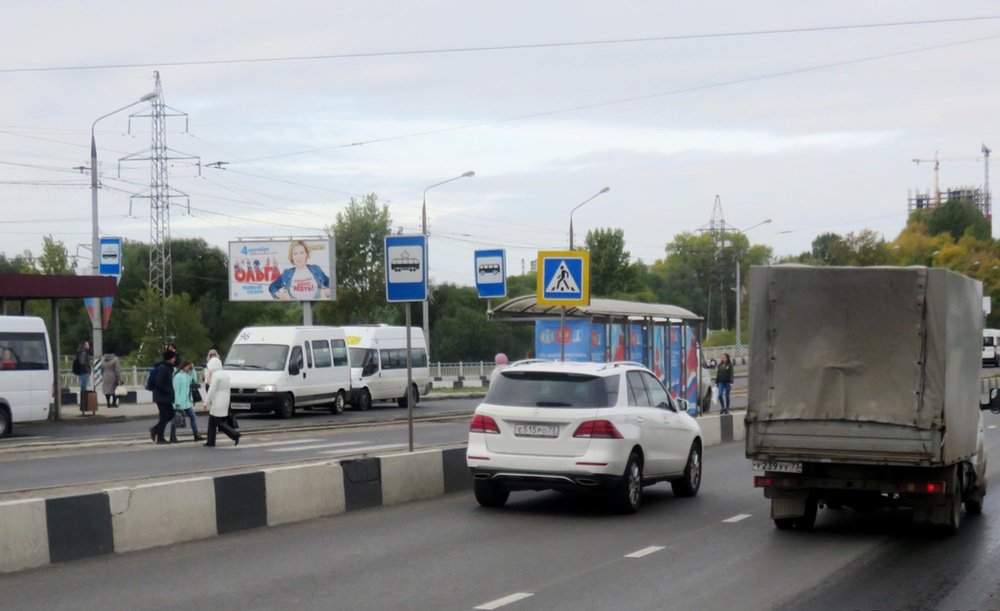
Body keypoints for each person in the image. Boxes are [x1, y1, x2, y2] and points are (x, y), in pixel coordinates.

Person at [203, 356, 240, 447]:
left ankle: (234, 435)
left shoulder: (216, 376)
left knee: (217, 422)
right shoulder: (225, 375)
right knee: (212, 421)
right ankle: (210, 441)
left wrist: (206, 402)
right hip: (224, 400)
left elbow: (212, 390)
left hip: (218, 401)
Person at [170, 360, 203, 443]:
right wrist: (176, 403)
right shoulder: (178, 376)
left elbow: (194, 380)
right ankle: (172, 436)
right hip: (179, 403)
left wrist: (193, 369)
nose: (189, 369)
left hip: (187, 402)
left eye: (190, 368)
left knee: (193, 417)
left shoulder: (187, 375)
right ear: (184, 366)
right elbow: (176, 390)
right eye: (189, 367)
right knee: (176, 419)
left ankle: (196, 434)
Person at [149, 351, 177, 445]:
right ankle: (160, 438)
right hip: (161, 397)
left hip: (164, 396)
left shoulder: (167, 367)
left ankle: (155, 430)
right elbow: (159, 383)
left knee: (171, 413)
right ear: (170, 358)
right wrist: (168, 391)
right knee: (164, 416)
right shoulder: (163, 368)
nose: (175, 359)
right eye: (173, 357)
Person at [74, 340, 92, 412]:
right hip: (84, 372)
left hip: (82, 372)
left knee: (83, 389)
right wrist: (88, 369)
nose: (89, 346)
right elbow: (82, 362)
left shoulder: (81, 352)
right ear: (84, 345)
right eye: (87, 344)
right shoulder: (84, 352)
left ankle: (83, 406)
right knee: (84, 390)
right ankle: (84, 406)